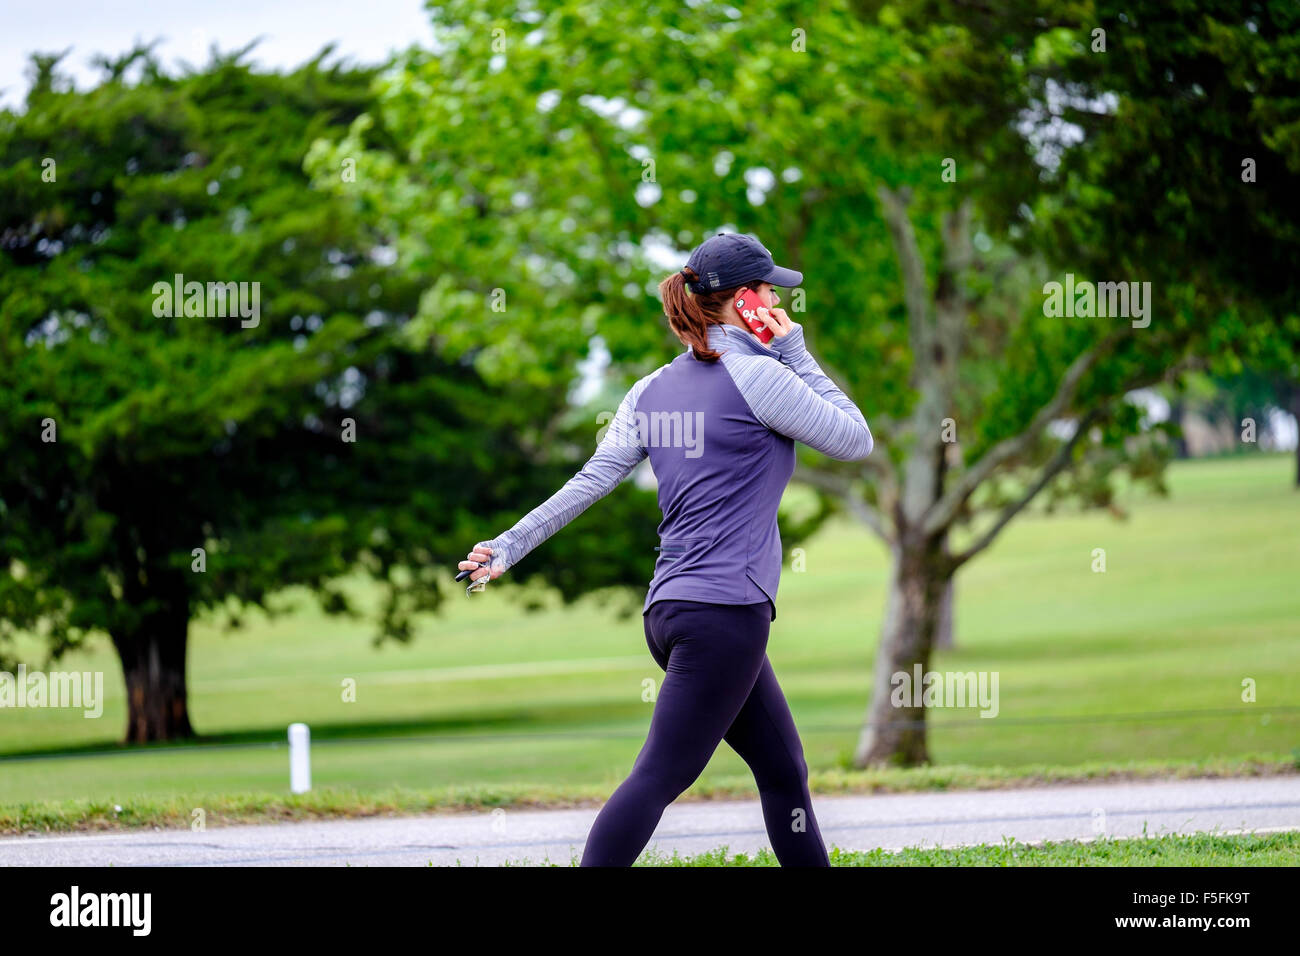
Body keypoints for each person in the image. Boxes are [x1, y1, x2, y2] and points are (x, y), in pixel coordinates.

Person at [458, 232, 874, 866]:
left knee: (785, 772)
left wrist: (509, 545)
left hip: (672, 611)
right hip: (725, 616)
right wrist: (794, 349)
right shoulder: (761, 374)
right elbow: (854, 438)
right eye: (771, 291)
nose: (782, 300)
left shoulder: (649, 389)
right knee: (658, 779)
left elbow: (591, 479)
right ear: (744, 301)